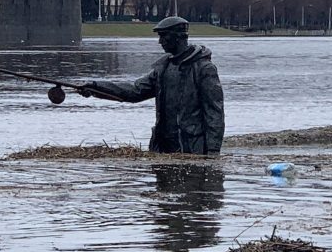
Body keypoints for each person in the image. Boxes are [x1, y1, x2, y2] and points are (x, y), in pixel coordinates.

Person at [81, 16, 225, 156]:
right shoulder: (162, 69)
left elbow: (214, 112)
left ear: (179, 37)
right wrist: (96, 87)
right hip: (163, 147)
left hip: (193, 148)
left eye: (164, 36)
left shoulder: (204, 69)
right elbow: (134, 91)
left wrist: (212, 152)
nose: (160, 41)